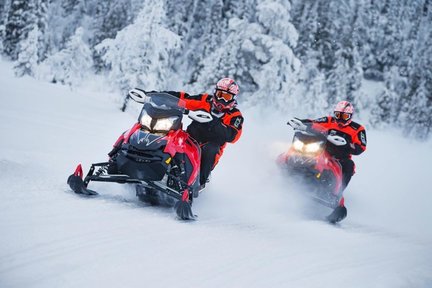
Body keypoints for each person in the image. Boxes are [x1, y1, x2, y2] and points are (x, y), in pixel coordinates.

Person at [146, 78, 244, 189]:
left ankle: (199, 184)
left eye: (227, 97)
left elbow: (233, 135)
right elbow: (184, 98)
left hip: (208, 149)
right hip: (190, 139)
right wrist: (160, 96)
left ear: (233, 98)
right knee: (171, 133)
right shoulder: (205, 100)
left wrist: (213, 122)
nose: (222, 99)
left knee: (211, 149)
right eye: (220, 94)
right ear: (215, 92)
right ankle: (150, 161)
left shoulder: (235, 116)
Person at [292, 100, 367, 194]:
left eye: (344, 116)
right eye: (338, 115)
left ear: (350, 116)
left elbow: (361, 147)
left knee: (349, 166)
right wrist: (302, 123)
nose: (340, 119)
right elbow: (314, 123)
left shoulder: (358, 129)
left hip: (341, 158)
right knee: (301, 148)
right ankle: (285, 166)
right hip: (323, 150)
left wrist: (347, 144)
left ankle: (337, 193)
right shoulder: (329, 120)